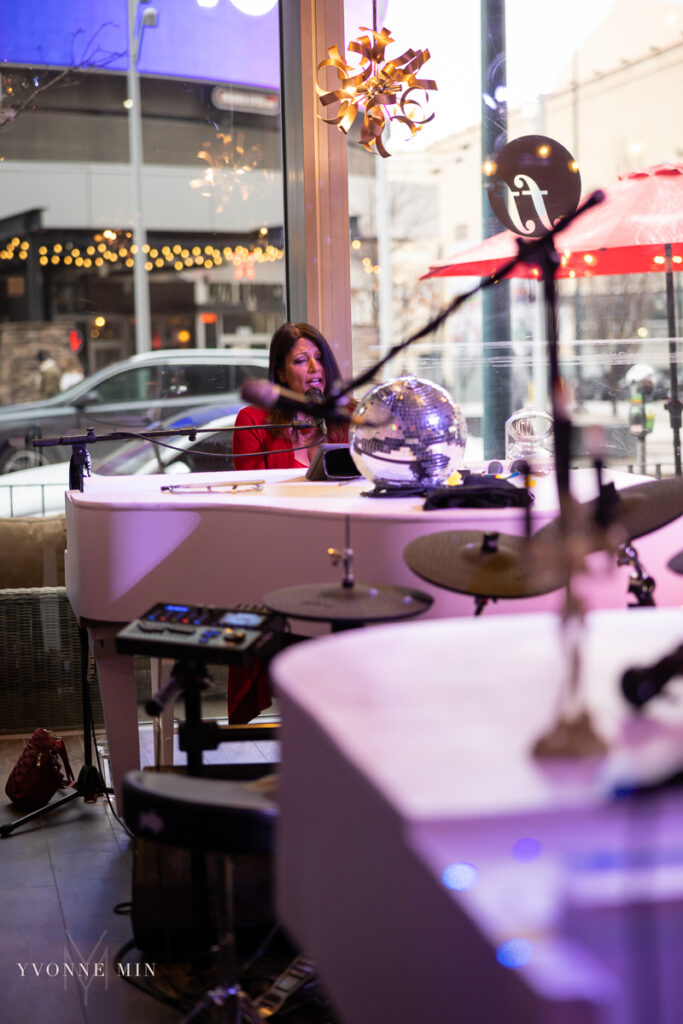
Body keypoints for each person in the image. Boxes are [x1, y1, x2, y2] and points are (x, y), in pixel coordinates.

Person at [232, 321, 350, 470]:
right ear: (281, 373)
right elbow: (252, 490)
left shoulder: (350, 416)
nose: (315, 367)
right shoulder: (253, 421)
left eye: (319, 358)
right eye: (301, 360)